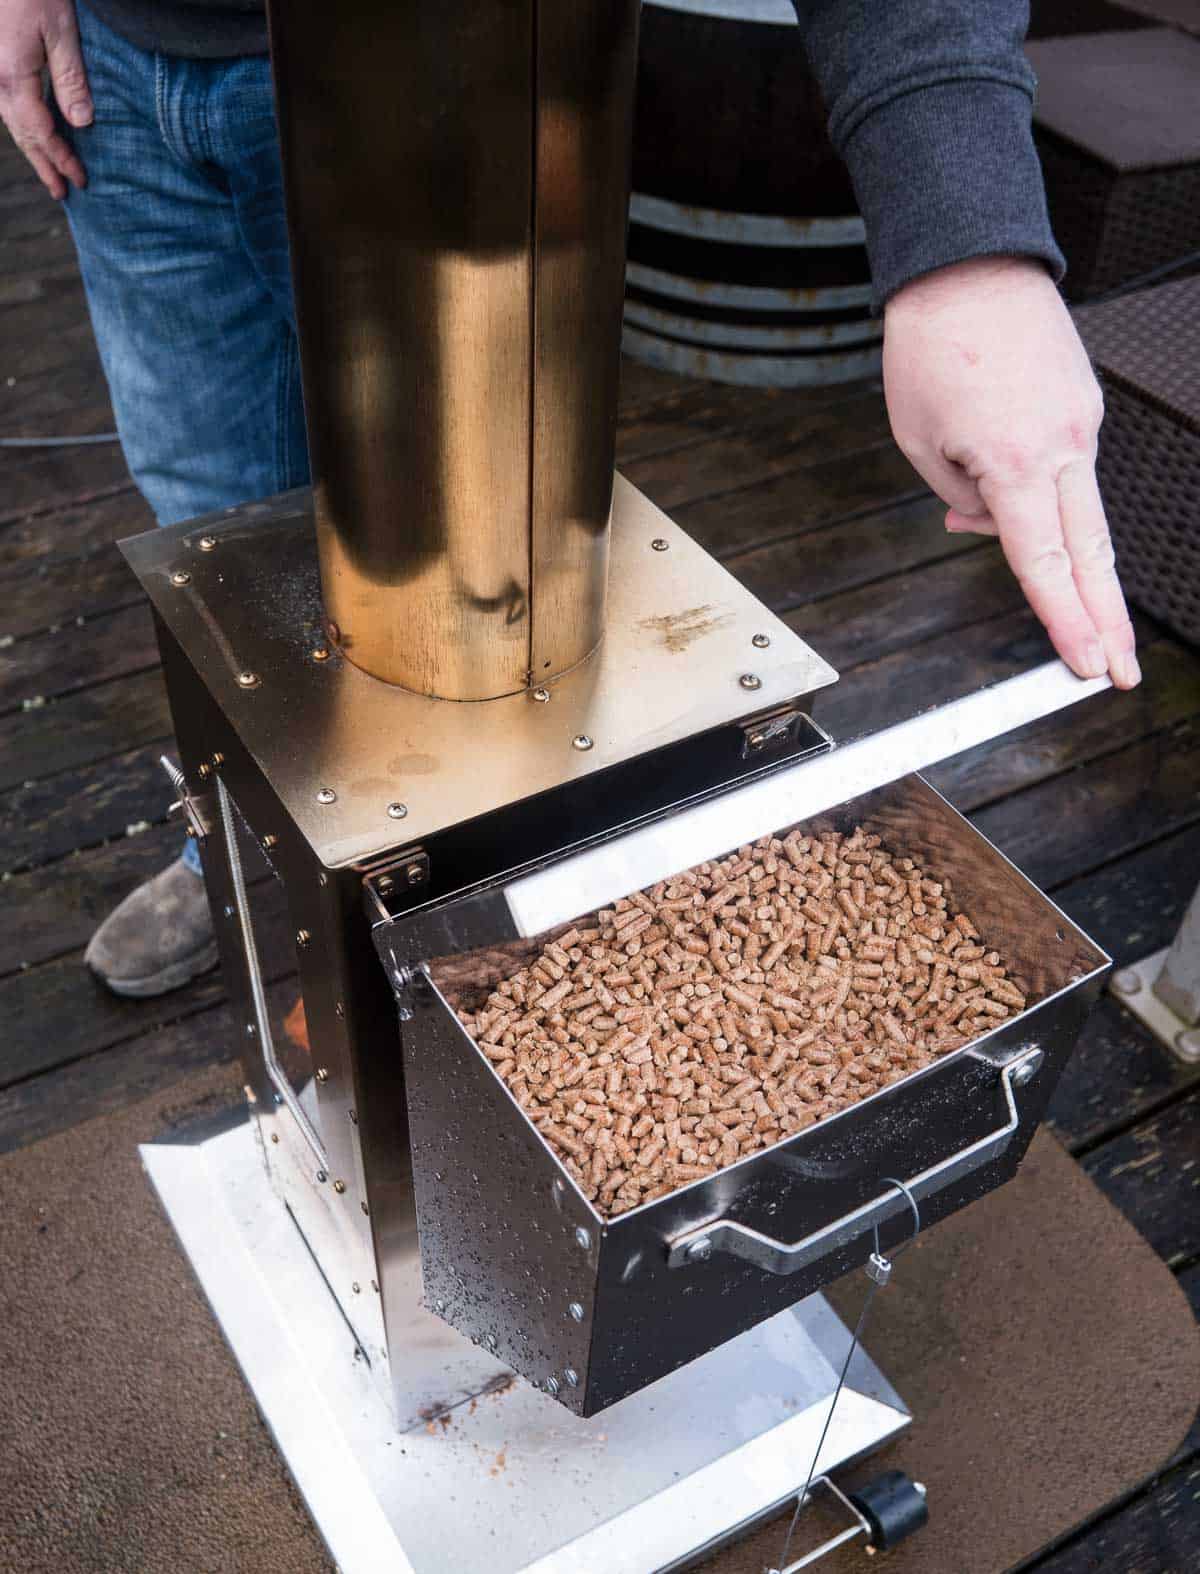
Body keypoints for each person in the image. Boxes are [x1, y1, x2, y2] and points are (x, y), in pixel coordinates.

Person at [1, 0, 1141, 998]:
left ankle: (474, 906)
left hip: (442, 77)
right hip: (115, 63)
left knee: (483, 529)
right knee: (207, 514)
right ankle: (248, 869)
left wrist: (962, 240)